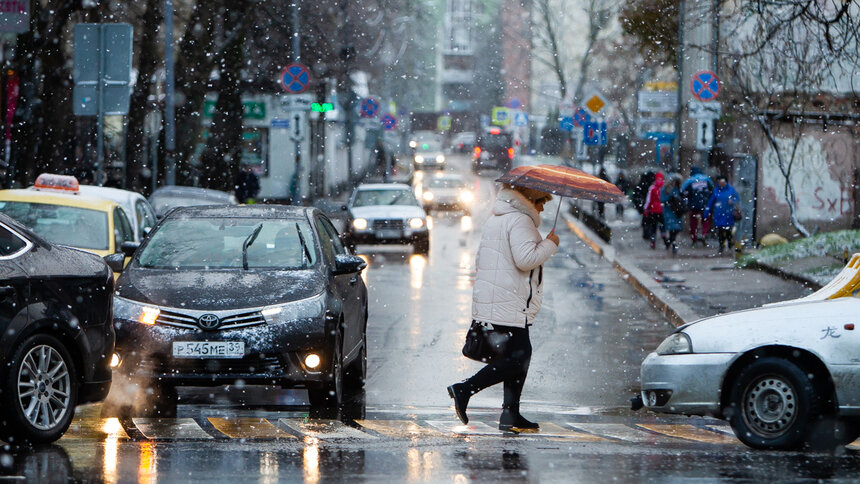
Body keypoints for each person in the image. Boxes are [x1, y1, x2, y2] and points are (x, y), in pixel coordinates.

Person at [447, 184, 560, 432]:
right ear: (530, 199)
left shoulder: (498, 219)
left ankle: (511, 414)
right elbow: (526, 260)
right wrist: (550, 244)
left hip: (497, 297)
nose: (542, 207)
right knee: (519, 358)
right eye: (541, 201)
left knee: (518, 355)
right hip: (509, 300)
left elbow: (482, 259)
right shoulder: (520, 221)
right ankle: (464, 389)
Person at [703, 176, 740, 254]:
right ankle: (721, 246)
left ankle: (729, 245)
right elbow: (710, 203)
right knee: (720, 232)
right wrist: (706, 213)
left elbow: (737, 198)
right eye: (720, 182)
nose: (721, 184)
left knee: (728, 232)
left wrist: (732, 201)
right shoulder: (716, 191)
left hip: (728, 214)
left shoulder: (731, 190)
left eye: (723, 182)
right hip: (719, 214)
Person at [681, 166, 714, 246]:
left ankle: (694, 238)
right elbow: (712, 191)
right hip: (705, 205)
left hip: (693, 206)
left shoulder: (689, 181)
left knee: (693, 222)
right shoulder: (707, 180)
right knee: (706, 220)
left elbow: (683, 192)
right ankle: (704, 233)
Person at [659, 176, 684, 255]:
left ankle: (670, 242)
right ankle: (673, 244)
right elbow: (662, 199)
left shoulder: (678, 189)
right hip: (669, 211)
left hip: (677, 212)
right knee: (672, 229)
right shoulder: (666, 189)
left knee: (676, 229)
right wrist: (670, 198)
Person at [642, 172, 665, 249]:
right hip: (662, 210)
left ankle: (653, 241)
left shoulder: (652, 188)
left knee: (653, 227)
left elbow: (648, 200)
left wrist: (646, 209)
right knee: (662, 226)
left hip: (653, 210)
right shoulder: (664, 187)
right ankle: (664, 237)